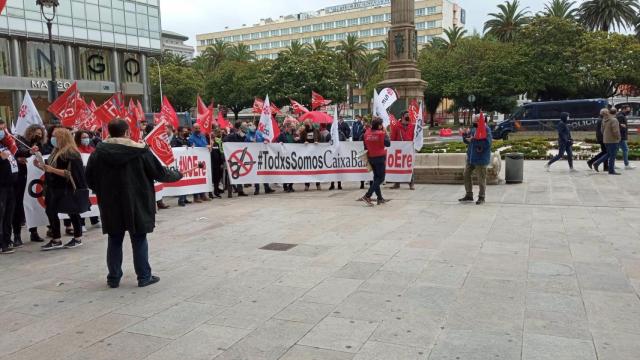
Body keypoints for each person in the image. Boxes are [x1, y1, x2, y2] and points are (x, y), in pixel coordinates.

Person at [86, 118, 183, 288]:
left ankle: (113, 277)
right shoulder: (140, 151)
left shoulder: (98, 153)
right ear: (127, 132)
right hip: (137, 200)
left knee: (114, 238)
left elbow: (89, 178)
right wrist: (178, 175)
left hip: (110, 202)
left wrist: (102, 189)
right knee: (139, 238)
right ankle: (144, 276)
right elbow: (160, 173)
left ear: (110, 132)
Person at [36, 128, 90, 250]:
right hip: (54, 187)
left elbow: (71, 173)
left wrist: (51, 170)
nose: (52, 139)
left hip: (66, 188)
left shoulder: (71, 153)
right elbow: (51, 169)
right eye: (52, 136)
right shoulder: (56, 151)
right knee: (50, 211)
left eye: (55, 136)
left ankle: (77, 237)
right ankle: (56, 239)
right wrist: (41, 166)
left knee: (72, 211)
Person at [13, 124, 46, 247]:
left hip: (34, 179)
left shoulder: (41, 144)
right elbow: (19, 151)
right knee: (19, 207)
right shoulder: (20, 141)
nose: (38, 135)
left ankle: (34, 232)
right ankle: (16, 235)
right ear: (30, 132)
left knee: (33, 205)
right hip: (21, 179)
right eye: (36, 133)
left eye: (40, 133)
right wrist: (28, 152)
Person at [458, 115, 493, 205]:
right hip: (471, 158)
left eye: (475, 121)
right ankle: (469, 195)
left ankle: (481, 197)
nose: (474, 122)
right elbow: (467, 141)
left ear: (480, 121)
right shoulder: (474, 129)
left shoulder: (486, 129)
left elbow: (487, 143)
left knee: (481, 178)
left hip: (481, 159)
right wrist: (465, 134)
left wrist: (473, 140)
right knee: (466, 174)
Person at [360, 118, 390, 206]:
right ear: (379, 126)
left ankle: (379, 198)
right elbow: (388, 144)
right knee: (380, 178)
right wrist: (386, 133)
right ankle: (367, 195)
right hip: (380, 158)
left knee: (376, 178)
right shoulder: (381, 134)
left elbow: (365, 146)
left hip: (371, 158)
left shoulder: (367, 133)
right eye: (381, 125)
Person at [74, 130, 100, 227]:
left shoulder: (92, 149)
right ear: (78, 139)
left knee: (92, 199)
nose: (86, 139)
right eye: (83, 137)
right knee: (83, 199)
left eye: (87, 137)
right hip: (81, 179)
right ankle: (82, 223)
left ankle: (94, 220)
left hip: (91, 178)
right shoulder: (76, 150)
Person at [0, 119, 18, 254]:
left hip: (10, 184)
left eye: (4, 128)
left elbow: (17, 153)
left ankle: (7, 239)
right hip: (1, 186)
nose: (3, 132)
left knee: (8, 214)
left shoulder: (6, 144)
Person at [390, 111, 416, 190]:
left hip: (409, 149)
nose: (408, 117)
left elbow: (415, 136)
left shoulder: (412, 126)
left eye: (409, 115)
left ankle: (411, 183)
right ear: (402, 117)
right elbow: (393, 137)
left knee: (409, 166)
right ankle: (397, 183)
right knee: (398, 166)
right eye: (406, 115)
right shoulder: (396, 126)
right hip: (399, 149)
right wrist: (392, 147)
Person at [593, 108, 622, 175]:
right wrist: (618, 137)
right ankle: (611, 170)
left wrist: (606, 136)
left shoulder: (604, 120)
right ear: (608, 112)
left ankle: (596, 163)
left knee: (609, 154)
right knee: (612, 156)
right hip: (613, 140)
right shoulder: (614, 120)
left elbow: (602, 130)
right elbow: (616, 131)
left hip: (606, 139)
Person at [223, 121, 248, 197]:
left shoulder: (243, 136)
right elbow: (224, 141)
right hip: (231, 158)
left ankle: (240, 190)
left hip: (240, 158)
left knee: (239, 173)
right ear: (239, 128)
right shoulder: (231, 136)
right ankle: (230, 192)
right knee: (230, 174)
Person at [188, 123, 211, 203]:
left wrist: (208, 146)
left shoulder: (203, 136)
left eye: (198, 128)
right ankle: (196, 196)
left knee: (203, 177)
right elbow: (196, 146)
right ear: (193, 129)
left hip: (203, 159)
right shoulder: (191, 138)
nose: (198, 130)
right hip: (196, 161)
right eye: (196, 128)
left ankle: (203, 195)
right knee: (196, 178)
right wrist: (205, 146)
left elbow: (205, 144)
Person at [301, 120, 321, 191]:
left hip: (315, 154)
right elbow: (301, 140)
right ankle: (307, 185)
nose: (307, 125)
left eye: (308, 123)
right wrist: (304, 141)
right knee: (307, 169)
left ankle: (318, 184)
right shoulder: (303, 132)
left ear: (311, 123)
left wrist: (317, 141)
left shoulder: (316, 131)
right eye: (306, 124)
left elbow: (320, 139)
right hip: (307, 154)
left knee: (316, 169)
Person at [277, 122, 298, 193]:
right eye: (289, 127)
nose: (290, 128)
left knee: (293, 171)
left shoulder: (293, 134)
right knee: (286, 172)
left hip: (292, 155)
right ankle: (285, 186)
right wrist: (280, 143)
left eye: (291, 127)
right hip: (285, 156)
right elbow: (277, 142)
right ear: (286, 128)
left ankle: (290, 186)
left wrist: (297, 140)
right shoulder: (282, 135)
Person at [617, 106, 635, 170]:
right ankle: (626, 165)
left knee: (615, 150)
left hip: (621, 136)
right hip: (621, 136)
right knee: (625, 149)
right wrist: (623, 127)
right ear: (623, 109)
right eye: (627, 110)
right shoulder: (621, 116)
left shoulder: (621, 115)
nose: (628, 111)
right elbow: (619, 126)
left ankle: (611, 164)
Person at [210, 128, 225, 198]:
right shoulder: (211, 143)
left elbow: (220, 152)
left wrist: (222, 162)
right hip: (213, 164)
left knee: (218, 177)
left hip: (219, 163)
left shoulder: (218, 142)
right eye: (218, 132)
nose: (220, 134)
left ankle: (216, 190)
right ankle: (213, 192)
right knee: (213, 178)